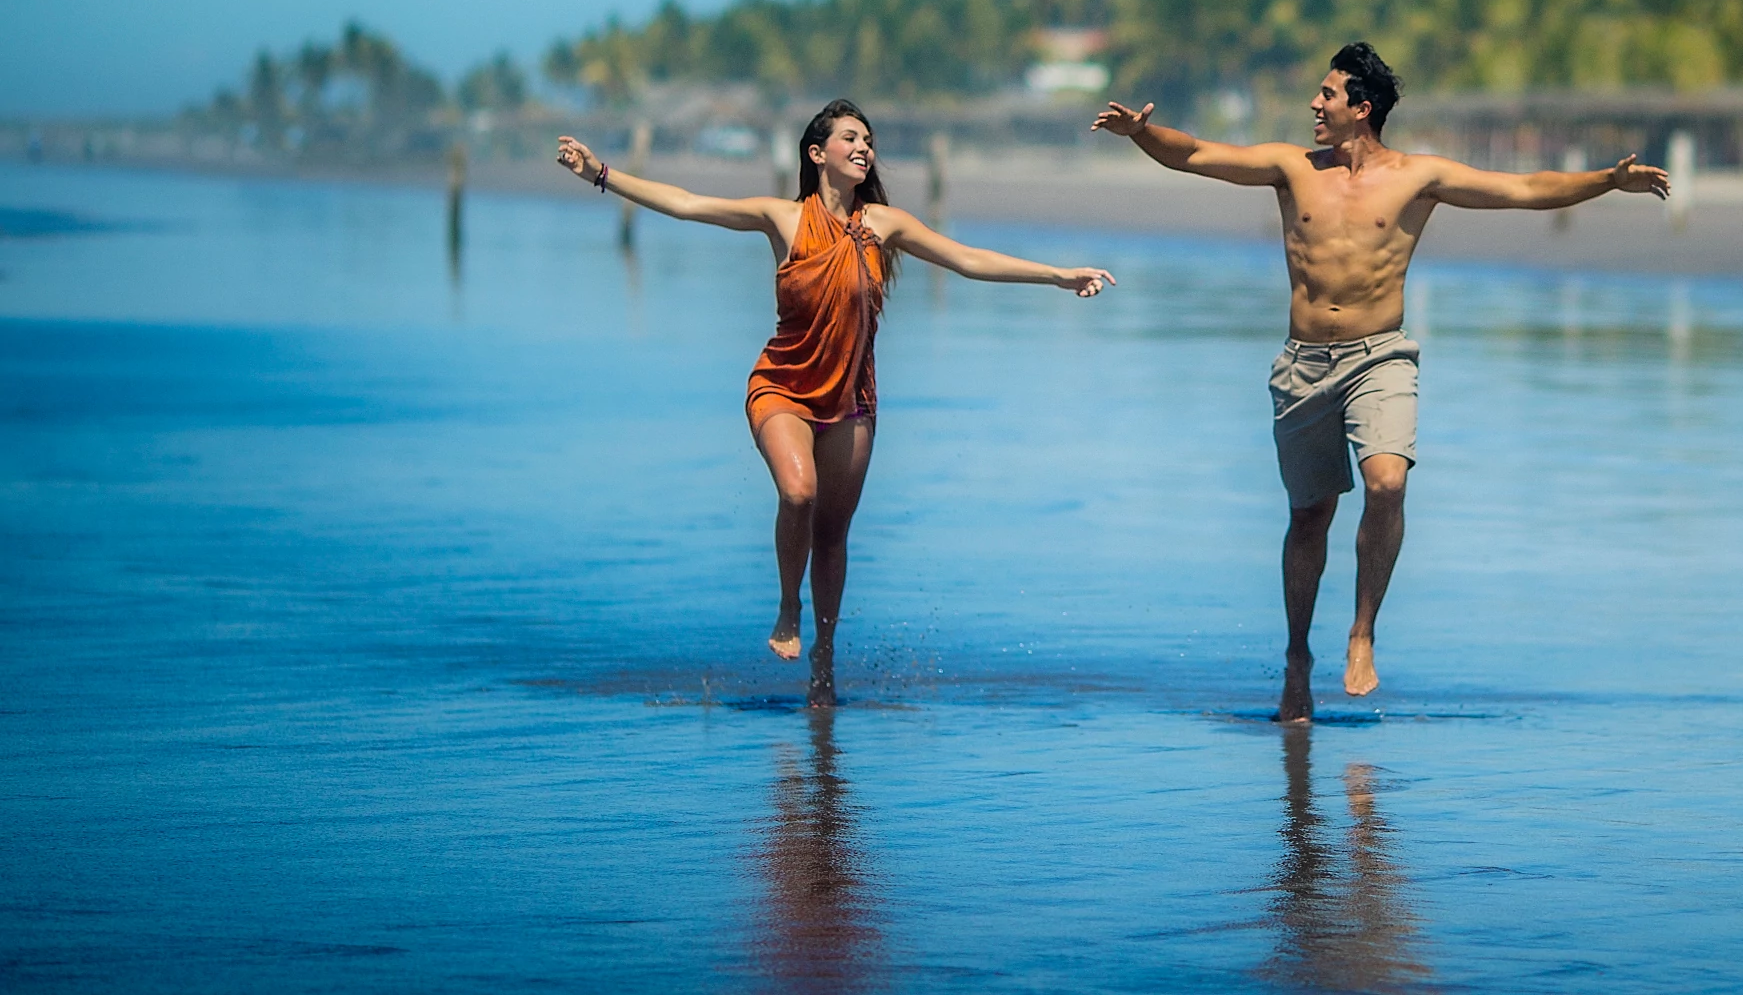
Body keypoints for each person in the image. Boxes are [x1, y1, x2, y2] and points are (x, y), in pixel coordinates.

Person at [1093, 43, 1668, 722]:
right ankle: (1298, 657)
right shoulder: (1290, 167)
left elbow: (1521, 189)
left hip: (1380, 357)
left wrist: (1606, 179)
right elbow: (1193, 154)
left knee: (1387, 482)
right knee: (1310, 517)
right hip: (1304, 364)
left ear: (1361, 110)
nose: (1314, 103)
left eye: (1328, 95)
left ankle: (1362, 632)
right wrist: (1141, 135)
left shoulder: (1416, 177)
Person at [556, 99, 1114, 706]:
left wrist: (1057, 275)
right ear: (818, 153)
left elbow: (967, 259)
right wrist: (600, 173)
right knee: (799, 492)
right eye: (851, 137)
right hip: (783, 387)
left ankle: (825, 658)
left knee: (833, 534)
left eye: (869, 139)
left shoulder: (884, 225)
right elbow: (690, 205)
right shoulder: (784, 219)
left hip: (851, 397)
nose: (864, 147)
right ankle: (788, 607)